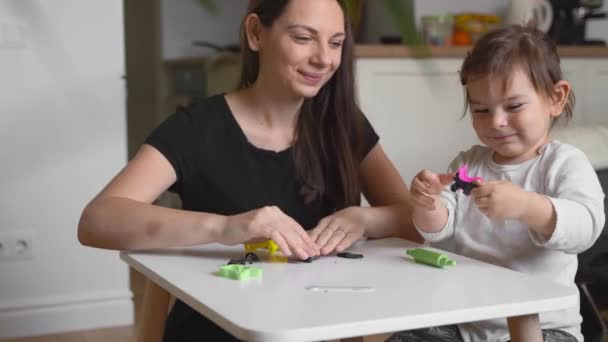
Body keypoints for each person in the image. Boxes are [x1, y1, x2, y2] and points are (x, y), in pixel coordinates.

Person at [78, 0, 420, 340]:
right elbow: (97, 221)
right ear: (256, 33)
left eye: (335, 43)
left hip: (320, 330)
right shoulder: (197, 129)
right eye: (304, 38)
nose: (324, 59)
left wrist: (363, 219)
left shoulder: (345, 126)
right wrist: (225, 227)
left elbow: (415, 221)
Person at [388, 25, 605, 342]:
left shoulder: (564, 163)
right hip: (468, 321)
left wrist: (526, 206)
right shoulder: (468, 165)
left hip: (545, 325)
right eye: (481, 110)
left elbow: (585, 227)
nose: (497, 121)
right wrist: (428, 203)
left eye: (514, 106)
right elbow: (438, 228)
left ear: (555, 98)